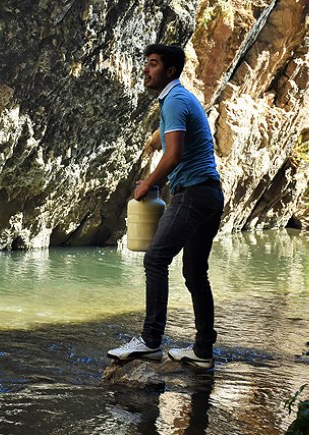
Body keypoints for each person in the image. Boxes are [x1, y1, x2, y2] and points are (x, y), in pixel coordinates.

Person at [107, 44, 224, 369]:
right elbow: (177, 142)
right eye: (147, 64)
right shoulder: (180, 99)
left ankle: (150, 342)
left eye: (153, 64)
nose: (146, 70)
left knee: (157, 259)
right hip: (210, 194)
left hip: (193, 193)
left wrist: (148, 184)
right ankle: (202, 351)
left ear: (170, 71)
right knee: (194, 272)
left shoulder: (174, 100)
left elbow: (172, 155)